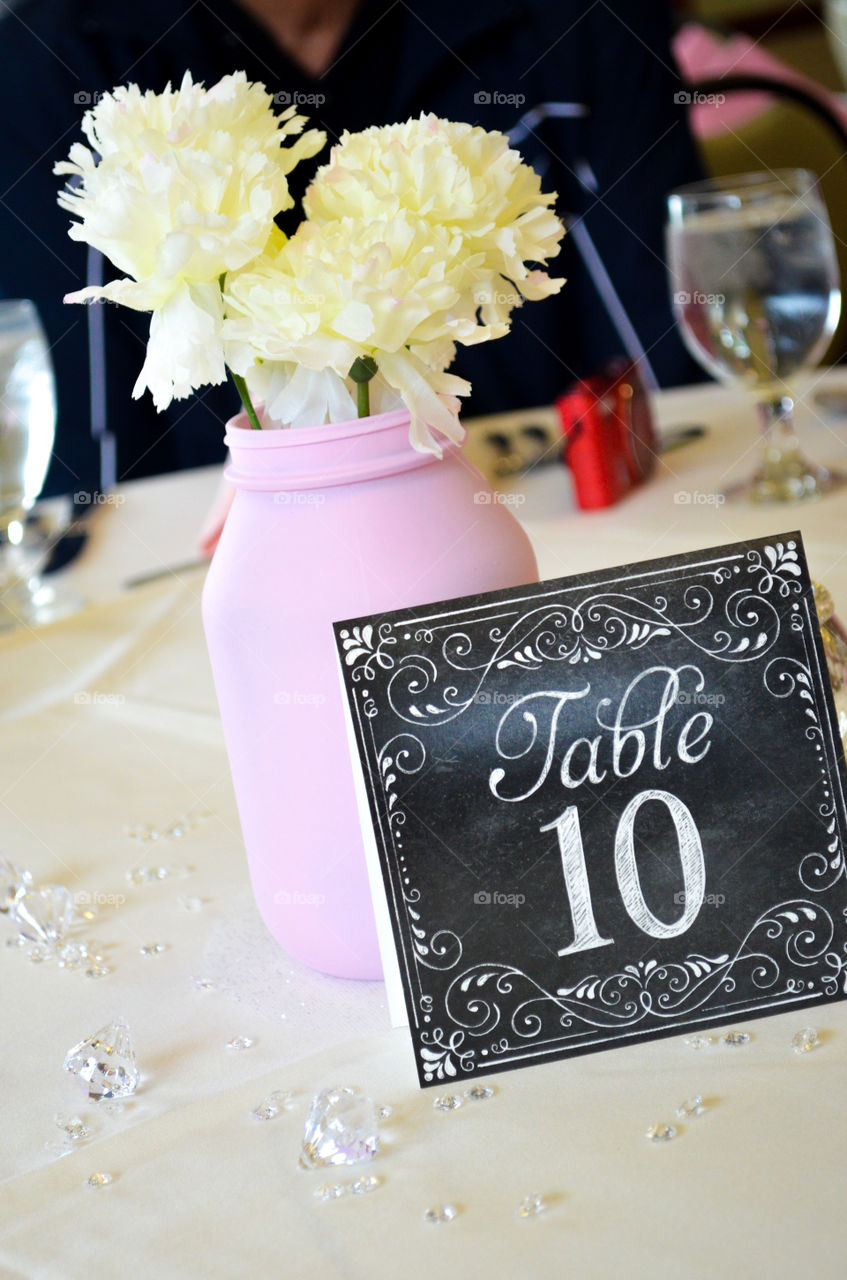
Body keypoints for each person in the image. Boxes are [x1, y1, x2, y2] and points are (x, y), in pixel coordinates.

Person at [0, 0, 702, 498]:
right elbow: (83, 467)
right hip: (219, 580)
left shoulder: (574, 21)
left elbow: (680, 375)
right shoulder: (46, 70)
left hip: (568, 529)